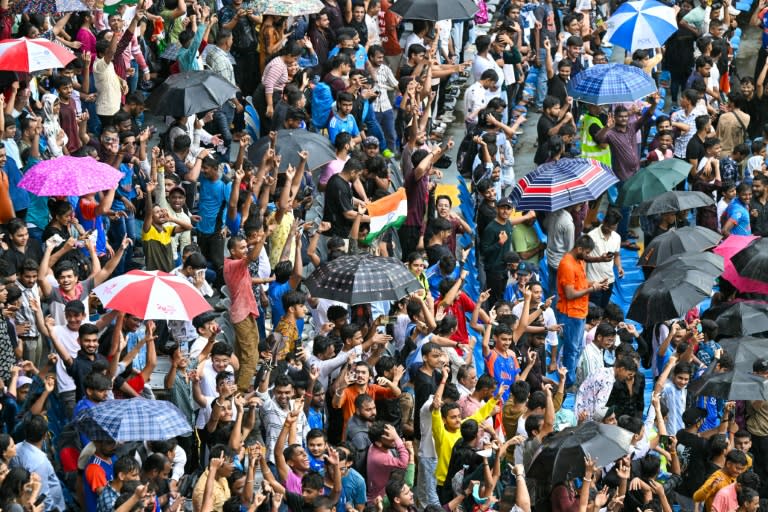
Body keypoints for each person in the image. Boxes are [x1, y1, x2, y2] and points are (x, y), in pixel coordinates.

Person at [557, 235, 609, 386]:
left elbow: (581, 283)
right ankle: (567, 383)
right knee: (571, 350)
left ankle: (570, 379)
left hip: (580, 312)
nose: (587, 256)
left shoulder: (579, 261)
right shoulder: (567, 264)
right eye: (586, 252)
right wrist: (592, 289)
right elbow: (570, 293)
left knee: (578, 348)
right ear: (579, 249)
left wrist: (596, 283)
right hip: (570, 314)